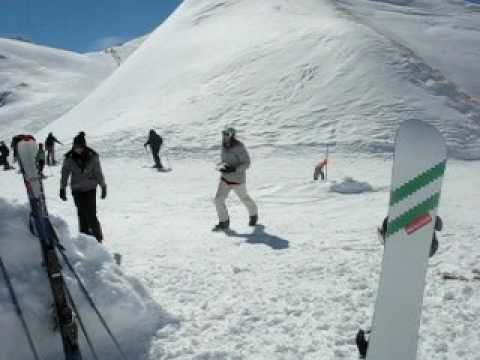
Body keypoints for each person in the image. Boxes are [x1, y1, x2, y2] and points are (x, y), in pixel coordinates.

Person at [60, 132, 107, 243]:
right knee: (81, 213)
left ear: (84, 146)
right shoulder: (69, 158)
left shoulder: (92, 156)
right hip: (77, 190)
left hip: (90, 188)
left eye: (80, 147)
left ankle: (97, 237)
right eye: (76, 147)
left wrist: (103, 186)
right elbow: (65, 174)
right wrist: (62, 188)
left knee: (91, 213)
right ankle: (84, 238)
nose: (78, 149)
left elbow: (98, 172)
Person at [213, 127, 258, 231]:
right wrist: (222, 166)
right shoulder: (224, 146)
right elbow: (225, 160)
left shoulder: (239, 146)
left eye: (227, 134)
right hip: (225, 178)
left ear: (232, 135)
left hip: (237, 179)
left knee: (244, 198)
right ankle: (224, 222)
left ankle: (253, 214)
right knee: (218, 200)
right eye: (223, 134)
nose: (224, 136)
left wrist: (234, 169)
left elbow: (247, 163)